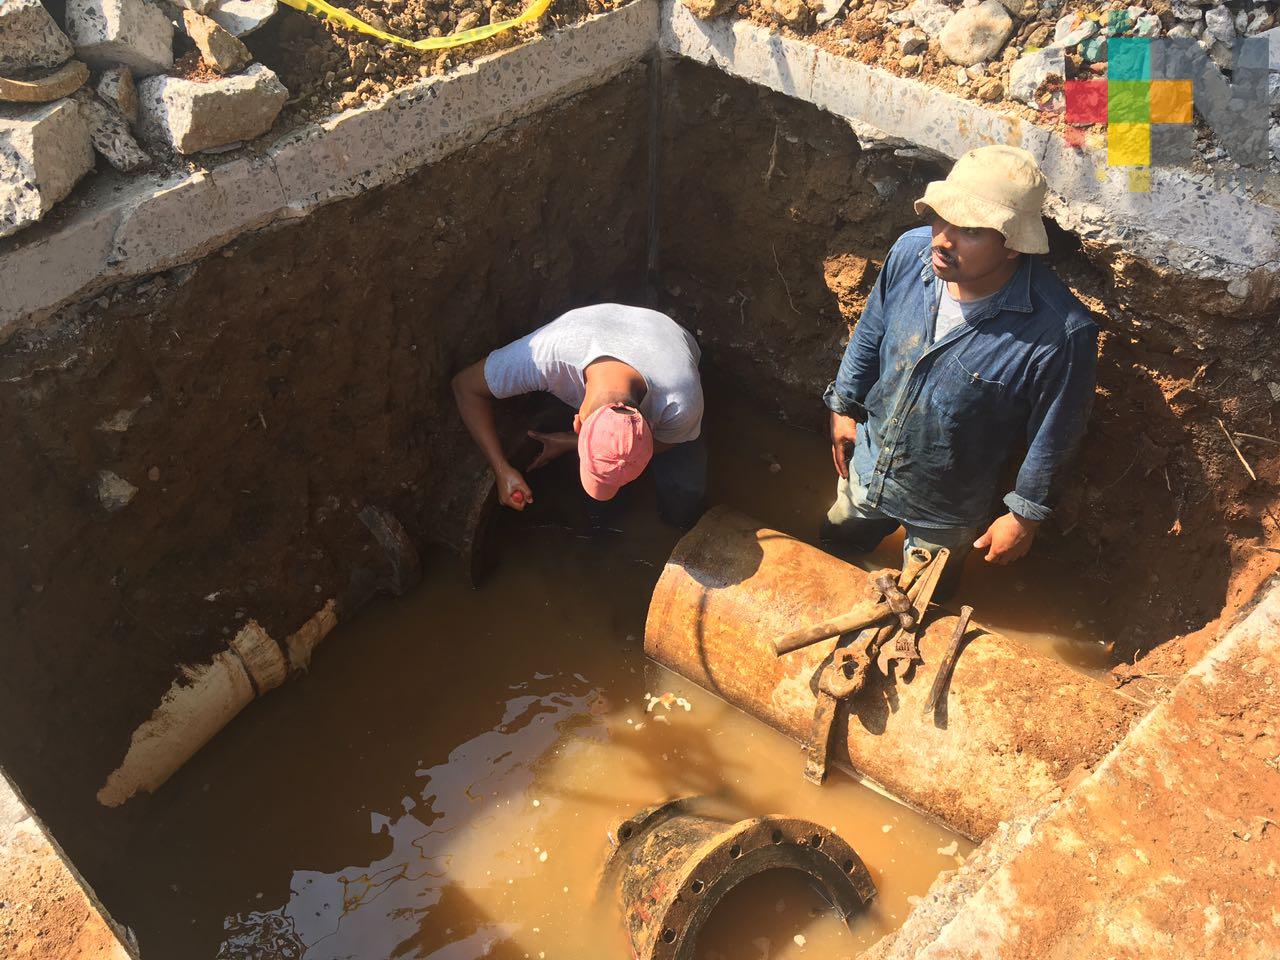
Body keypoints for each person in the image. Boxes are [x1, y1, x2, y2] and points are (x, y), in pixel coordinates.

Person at [821, 144, 1098, 596]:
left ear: (1012, 245)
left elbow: (1055, 433)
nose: (941, 239)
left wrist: (1023, 516)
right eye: (940, 217)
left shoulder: (1059, 335)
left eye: (968, 228)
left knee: (920, 606)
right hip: (868, 466)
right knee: (833, 553)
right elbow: (871, 330)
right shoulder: (910, 255)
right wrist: (844, 406)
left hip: (946, 504)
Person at [452, 303, 707, 527]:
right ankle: (604, 528)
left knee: (685, 493)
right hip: (602, 329)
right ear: (577, 421)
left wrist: (570, 443)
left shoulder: (682, 401)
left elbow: (671, 440)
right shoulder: (546, 356)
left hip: (669, 339)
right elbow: (465, 386)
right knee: (599, 504)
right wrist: (501, 468)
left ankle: (679, 522)